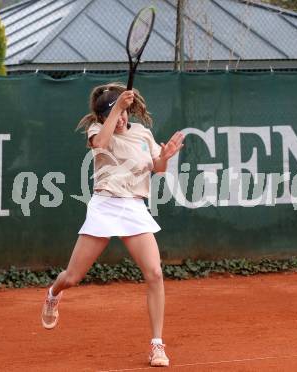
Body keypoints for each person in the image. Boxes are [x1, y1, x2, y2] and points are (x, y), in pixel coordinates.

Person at [41, 82, 184, 367]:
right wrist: (116, 106)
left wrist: (165, 157)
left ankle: (157, 345)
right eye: (115, 113)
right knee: (72, 277)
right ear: (104, 116)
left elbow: (156, 167)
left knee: (155, 273)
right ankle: (52, 294)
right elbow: (101, 145)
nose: (121, 119)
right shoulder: (97, 130)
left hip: (134, 207)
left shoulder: (143, 133)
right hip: (105, 206)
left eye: (123, 113)